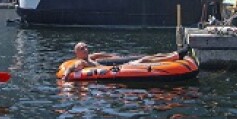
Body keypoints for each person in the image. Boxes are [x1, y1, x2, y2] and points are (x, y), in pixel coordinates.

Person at [61, 41, 190, 80]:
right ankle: (175, 56)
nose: (85, 49)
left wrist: (116, 57)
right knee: (145, 60)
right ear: (76, 52)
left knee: (149, 56)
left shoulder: (91, 57)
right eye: (81, 48)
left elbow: (102, 54)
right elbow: (72, 67)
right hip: (115, 69)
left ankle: (173, 54)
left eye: (85, 47)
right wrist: (66, 77)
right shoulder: (82, 62)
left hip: (117, 64)